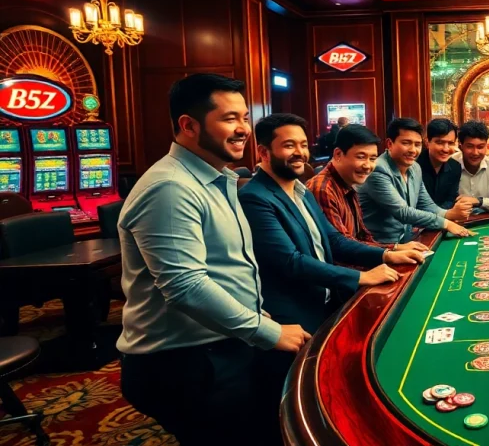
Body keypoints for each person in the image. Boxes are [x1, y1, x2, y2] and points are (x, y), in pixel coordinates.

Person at [117, 74, 310, 446]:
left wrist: (255, 312)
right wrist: (267, 332)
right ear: (188, 125)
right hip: (183, 361)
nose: (243, 130)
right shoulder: (171, 187)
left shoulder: (219, 178)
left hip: (218, 344)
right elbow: (185, 286)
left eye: (244, 118)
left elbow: (225, 266)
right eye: (229, 119)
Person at [238, 114, 422, 442]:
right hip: (290, 315)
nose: (299, 152)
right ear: (264, 152)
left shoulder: (300, 189)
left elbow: (333, 240)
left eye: (303, 145)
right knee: (293, 405)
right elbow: (289, 262)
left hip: (320, 303)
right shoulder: (255, 196)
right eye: (288, 145)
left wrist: (386, 254)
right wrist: (360, 278)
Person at [306, 124, 429, 255]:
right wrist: (387, 255)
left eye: (372, 159)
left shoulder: (349, 183)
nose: (368, 166)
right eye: (360, 157)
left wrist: (395, 248)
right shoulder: (323, 189)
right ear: (338, 154)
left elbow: (361, 237)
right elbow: (340, 247)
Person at [360, 117, 475, 243]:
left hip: (407, 240)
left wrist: (450, 214)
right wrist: (447, 223)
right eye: (406, 143)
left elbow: (427, 205)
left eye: (417, 144)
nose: (413, 150)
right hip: (379, 246)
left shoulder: (415, 167)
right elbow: (403, 212)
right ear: (389, 144)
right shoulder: (377, 169)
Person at [451, 121, 489, 213]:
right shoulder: (450, 164)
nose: (475, 152)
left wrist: (477, 201)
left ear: (486, 146)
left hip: (484, 221)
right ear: (461, 146)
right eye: (470, 146)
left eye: (480, 147)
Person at [417, 118, 467, 211]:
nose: (446, 149)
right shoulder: (414, 166)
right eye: (440, 142)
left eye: (451, 143)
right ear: (427, 142)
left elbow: (451, 199)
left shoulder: (455, 167)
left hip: (442, 219)